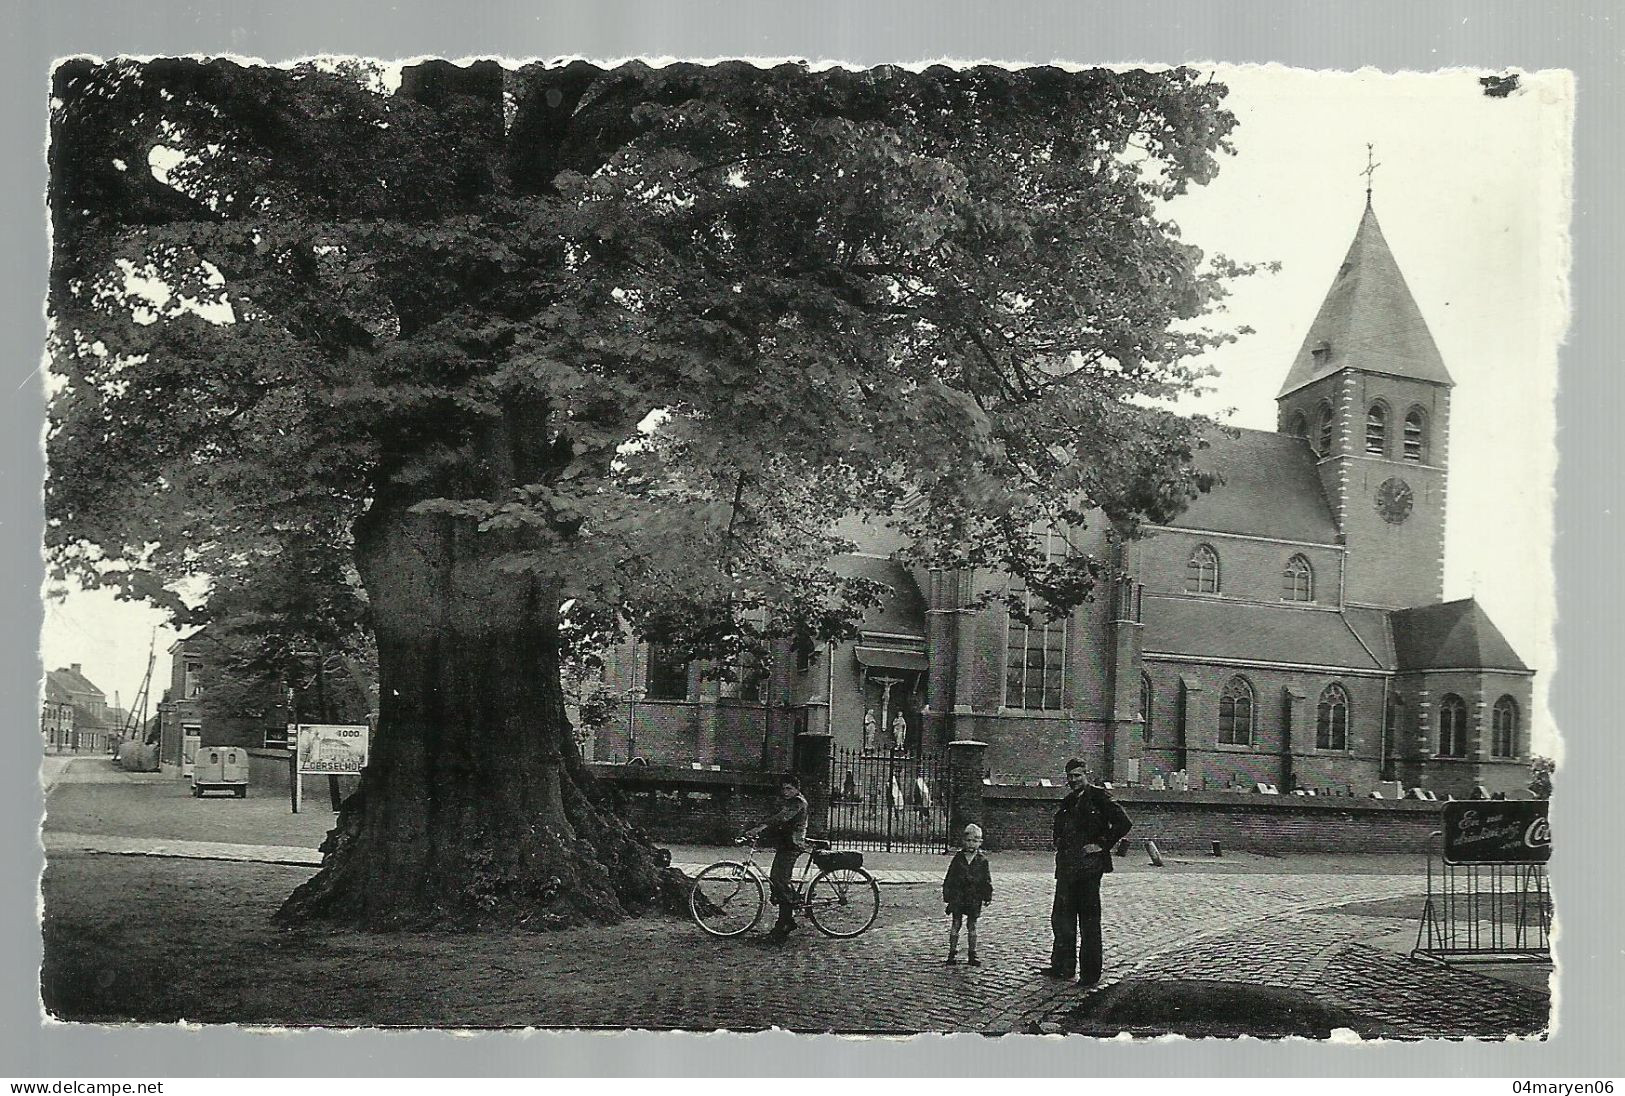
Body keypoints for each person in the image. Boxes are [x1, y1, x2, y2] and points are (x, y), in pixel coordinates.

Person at [1036, 758, 1133, 985]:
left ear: (1086, 774)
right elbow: (1060, 828)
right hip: (1067, 868)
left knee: (1088, 922)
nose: (1073, 780)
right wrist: (1058, 841)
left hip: (1089, 869)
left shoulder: (1099, 797)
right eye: (1070, 776)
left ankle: (1090, 974)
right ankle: (1063, 967)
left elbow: (1123, 822)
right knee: (1061, 919)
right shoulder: (1068, 800)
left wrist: (1102, 843)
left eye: (1077, 776)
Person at [744, 772, 809, 942]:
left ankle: (785, 923)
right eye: (784, 789)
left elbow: (782, 818)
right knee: (777, 880)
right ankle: (788, 913)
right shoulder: (789, 802)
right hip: (785, 844)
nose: (786, 792)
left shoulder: (798, 803)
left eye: (789, 788)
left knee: (779, 880)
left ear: (797, 789)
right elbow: (776, 816)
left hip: (793, 845)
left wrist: (760, 828)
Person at [942, 823, 993, 966]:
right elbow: (950, 877)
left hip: (973, 897)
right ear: (963, 841)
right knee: (956, 923)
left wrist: (987, 895)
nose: (971, 844)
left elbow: (986, 880)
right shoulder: (958, 858)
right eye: (969, 840)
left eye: (975, 841)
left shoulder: (982, 861)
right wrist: (947, 894)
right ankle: (952, 953)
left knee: (972, 925)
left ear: (980, 842)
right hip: (958, 896)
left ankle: (972, 954)